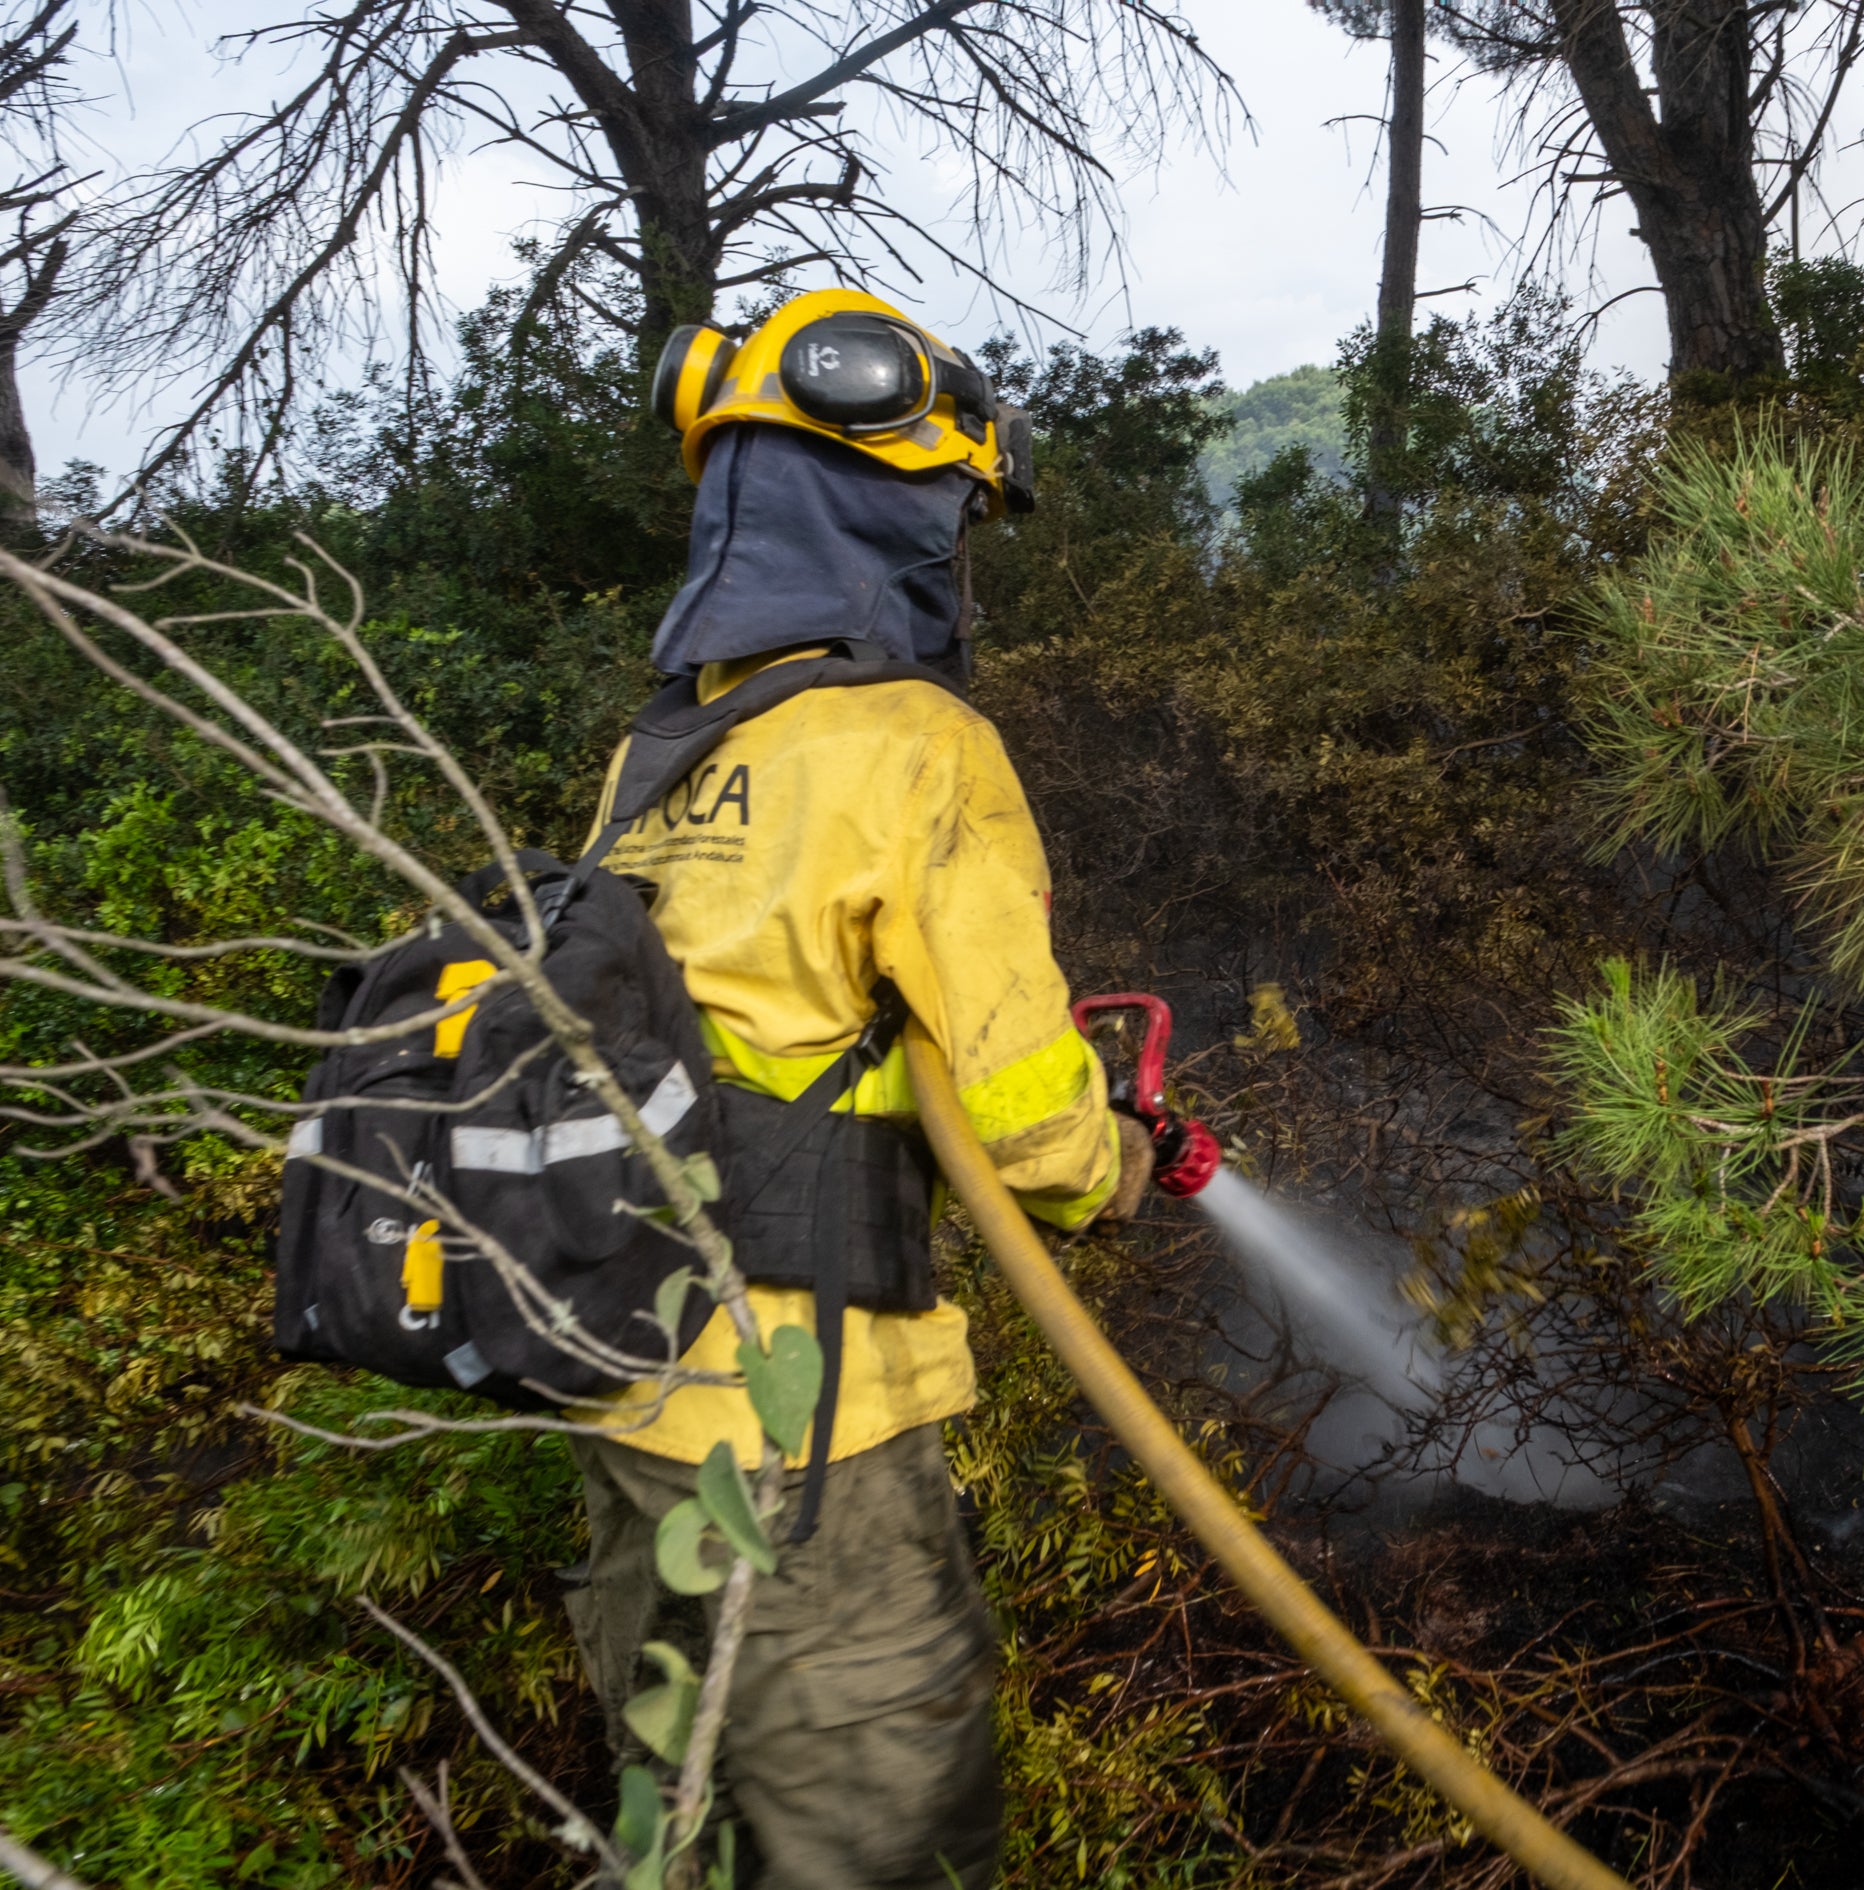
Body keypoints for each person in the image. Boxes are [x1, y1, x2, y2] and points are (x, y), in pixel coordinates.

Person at [561, 288, 1152, 1889]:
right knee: (892, 1846)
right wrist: (1115, 1164)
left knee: (677, 1820)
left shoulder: (658, 756)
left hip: (629, 1405)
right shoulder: (909, 741)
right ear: (887, 509)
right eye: (951, 514)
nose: (955, 553)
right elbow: (1030, 1114)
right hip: (811, 1435)